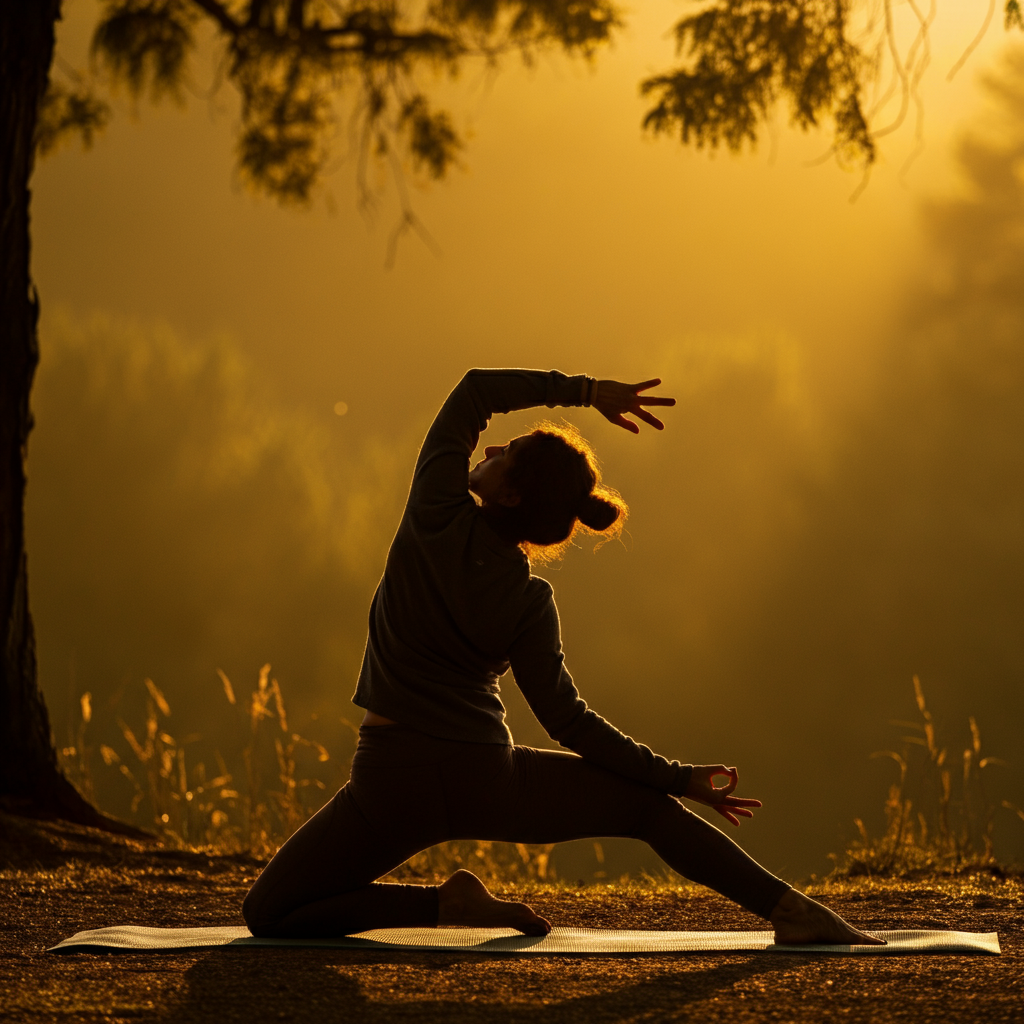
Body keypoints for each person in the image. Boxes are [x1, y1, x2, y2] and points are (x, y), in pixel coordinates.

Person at [242, 368, 882, 945]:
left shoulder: (434, 514)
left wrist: (587, 393)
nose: (492, 448)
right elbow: (568, 721)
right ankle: (792, 911)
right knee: (644, 812)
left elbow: (474, 392)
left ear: (513, 496)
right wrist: (676, 779)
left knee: (271, 914)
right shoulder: (528, 600)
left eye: (508, 453)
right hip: (482, 776)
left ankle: (443, 906)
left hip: (392, 781)